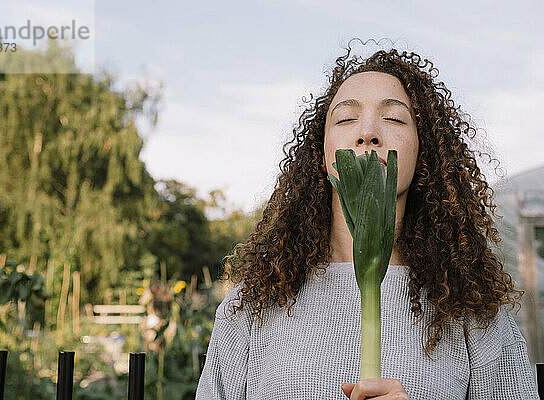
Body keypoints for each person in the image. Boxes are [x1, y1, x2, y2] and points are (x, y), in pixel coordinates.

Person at [195, 40, 539, 399]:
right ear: (321, 153)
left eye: (393, 118)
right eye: (345, 118)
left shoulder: (473, 311)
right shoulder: (251, 306)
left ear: (425, 153)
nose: (368, 132)